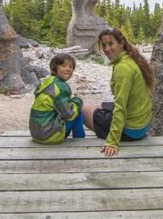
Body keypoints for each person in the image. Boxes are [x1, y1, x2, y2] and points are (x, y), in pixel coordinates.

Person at [83, 28, 154, 156]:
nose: (106, 49)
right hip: (143, 126)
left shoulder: (123, 68)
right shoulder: (131, 59)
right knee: (100, 106)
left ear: (121, 43)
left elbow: (120, 108)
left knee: (83, 109)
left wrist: (112, 142)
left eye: (111, 44)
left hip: (131, 131)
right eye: (104, 45)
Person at [29, 53, 85, 144]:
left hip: (36, 134)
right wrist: (78, 101)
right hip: (48, 136)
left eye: (71, 67)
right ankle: (80, 142)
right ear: (54, 68)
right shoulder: (59, 86)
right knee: (78, 113)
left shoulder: (47, 82)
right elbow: (69, 114)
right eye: (63, 66)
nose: (68, 69)